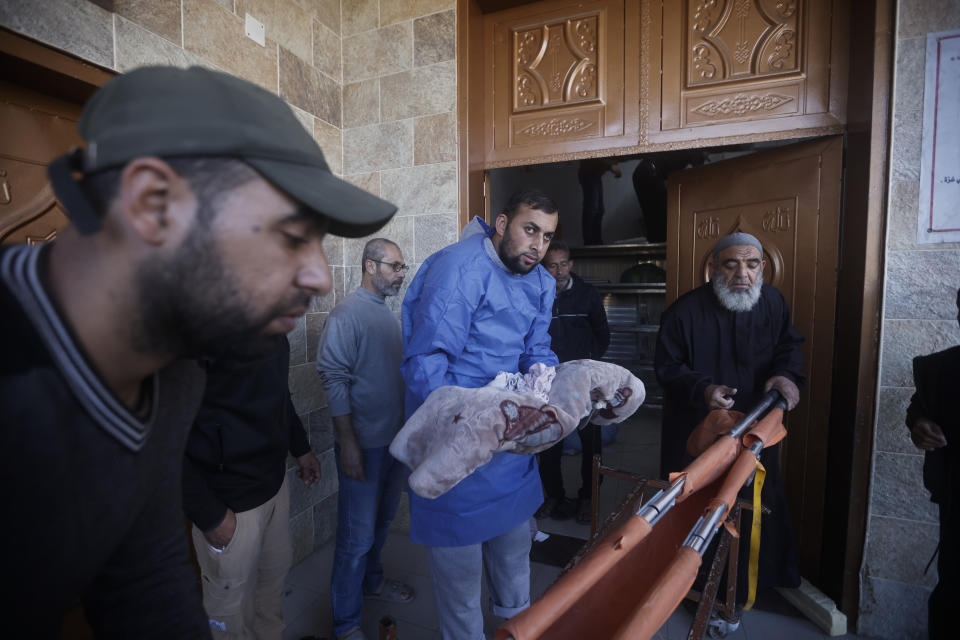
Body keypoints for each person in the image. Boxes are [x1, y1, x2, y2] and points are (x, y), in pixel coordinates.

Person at [0, 65, 395, 638]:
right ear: (154, 204)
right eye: (289, 235)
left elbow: (146, 577)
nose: (317, 276)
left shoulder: (174, 373)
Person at [401, 189, 560, 639]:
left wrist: (545, 383)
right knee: (461, 583)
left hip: (510, 452)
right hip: (460, 450)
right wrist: (466, 423)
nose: (538, 245)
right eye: (530, 230)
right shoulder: (460, 269)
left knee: (514, 567)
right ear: (502, 222)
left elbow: (537, 348)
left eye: (547, 237)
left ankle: (518, 630)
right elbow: (426, 362)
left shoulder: (542, 282)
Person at [654, 232, 805, 624]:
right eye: (731, 264)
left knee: (747, 512)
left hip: (754, 432)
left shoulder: (773, 303)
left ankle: (736, 594)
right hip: (699, 436)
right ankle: (689, 590)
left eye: (752, 264)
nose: (743, 273)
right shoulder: (684, 312)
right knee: (698, 512)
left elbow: (789, 347)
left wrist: (786, 376)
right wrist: (704, 390)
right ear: (714, 268)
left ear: (762, 268)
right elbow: (667, 369)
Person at [182, 334, 322, 638]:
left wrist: (301, 448)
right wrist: (208, 514)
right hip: (227, 506)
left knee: (270, 598)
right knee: (231, 617)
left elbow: (278, 394)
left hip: (274, 488)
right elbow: (157, 430)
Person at [316, 239, 412, 640]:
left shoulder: (386, 316)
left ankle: (373, 583)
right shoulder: (346, 315)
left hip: (393, 445)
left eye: (402, 267)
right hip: (364, 446)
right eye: (395, 266)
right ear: (371, 266)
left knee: (382, 523)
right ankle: (346, 624)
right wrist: (349, 443)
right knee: (355, 538)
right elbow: (333, 380)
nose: (401, 274)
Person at [536, 240, 610, 524]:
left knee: (591, 443)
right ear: (545, 267)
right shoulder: (535, 293)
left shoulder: (587, 294)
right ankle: (554, 496)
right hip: (550, 380)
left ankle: (588, 498)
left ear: (571, 264)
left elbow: (602, 335)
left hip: (583, 379)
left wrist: (588, 365)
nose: (559, 271)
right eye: (552, 265)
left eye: (564, 264)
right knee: (548, 440)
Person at [905, 287, 960, 640]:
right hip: (957, 502)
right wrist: (919, 425)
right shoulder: (941, 368)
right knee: (953, 594)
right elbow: (919, 407)